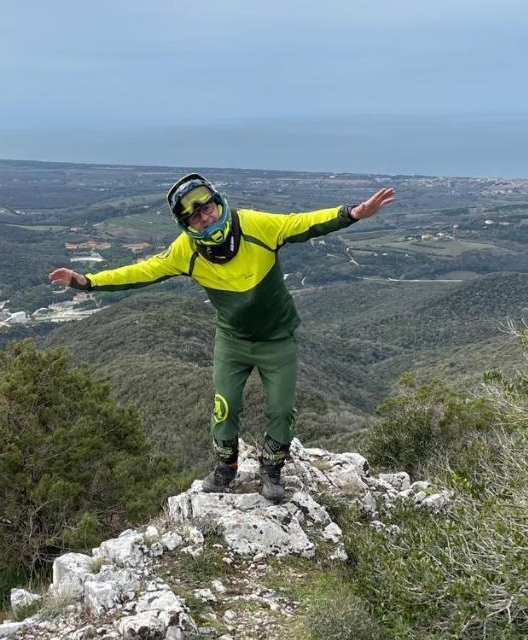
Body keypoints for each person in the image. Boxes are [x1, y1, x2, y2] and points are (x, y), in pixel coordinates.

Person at [49, 173, 395, 502]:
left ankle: (271, 470)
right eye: (193, 215)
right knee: (224, 408)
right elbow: (142, 271)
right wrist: (87, 281)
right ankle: (225, 468)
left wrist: (352, 214)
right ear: (185, 224)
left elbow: (302, 223)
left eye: (205, 206)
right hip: (233, 342)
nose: (203, 216)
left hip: (277, 340)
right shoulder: (186, 250)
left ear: (217, 201)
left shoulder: (256, 225)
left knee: (282, 409)